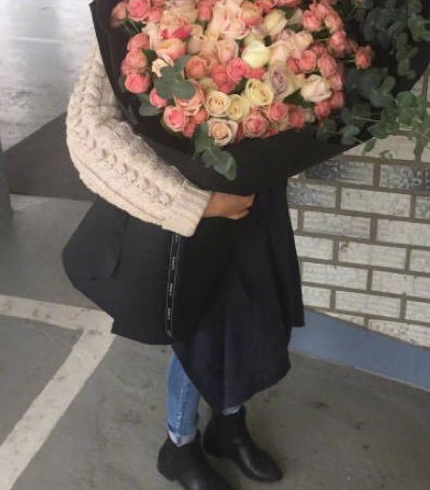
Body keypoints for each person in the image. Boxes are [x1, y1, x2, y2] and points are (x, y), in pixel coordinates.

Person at [65, 38, 305, 490]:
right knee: (199, 333)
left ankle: (228, 426)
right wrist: (197, 204)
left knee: (251, 314)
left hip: (255, 198)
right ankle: (180, 443)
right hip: (189, 208)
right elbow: (90, 131)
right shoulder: (129, 11)